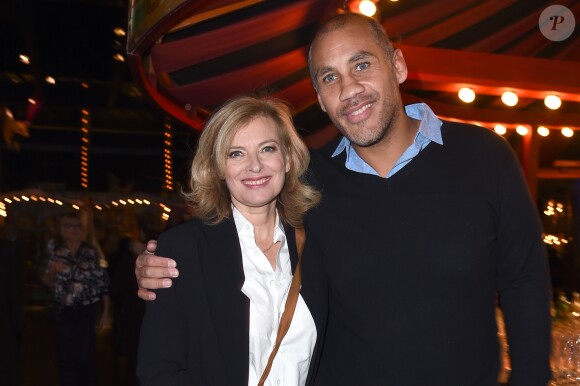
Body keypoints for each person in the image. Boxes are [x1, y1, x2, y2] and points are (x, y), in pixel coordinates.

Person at [135, 13, 552, 385]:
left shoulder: (484, 155)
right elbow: (239, 231)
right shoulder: (310, 182)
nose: (349, 88)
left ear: (398, 65)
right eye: (329, 77)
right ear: (320, 97)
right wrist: (162, 265)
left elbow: (524, 280)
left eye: (362, 64)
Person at [136, 95, 321, 386]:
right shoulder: (183, 250)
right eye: (236, 153)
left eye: (268, 149)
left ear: (287, 158)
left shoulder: (317, 244)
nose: (255, 166)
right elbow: (158, 371)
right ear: (218, 167)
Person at [42, 212, 110, 386]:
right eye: (68, 226)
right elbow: (46, 281)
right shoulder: (57, 253)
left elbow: (103, 283)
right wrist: (53, 271)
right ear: (62, 230)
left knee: (85, 357)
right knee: (65, 357)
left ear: (83, 230)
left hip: (86, 311)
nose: (73, 230)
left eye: (77, 226)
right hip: (63, 311)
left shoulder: (92, 252)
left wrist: (105, 313)